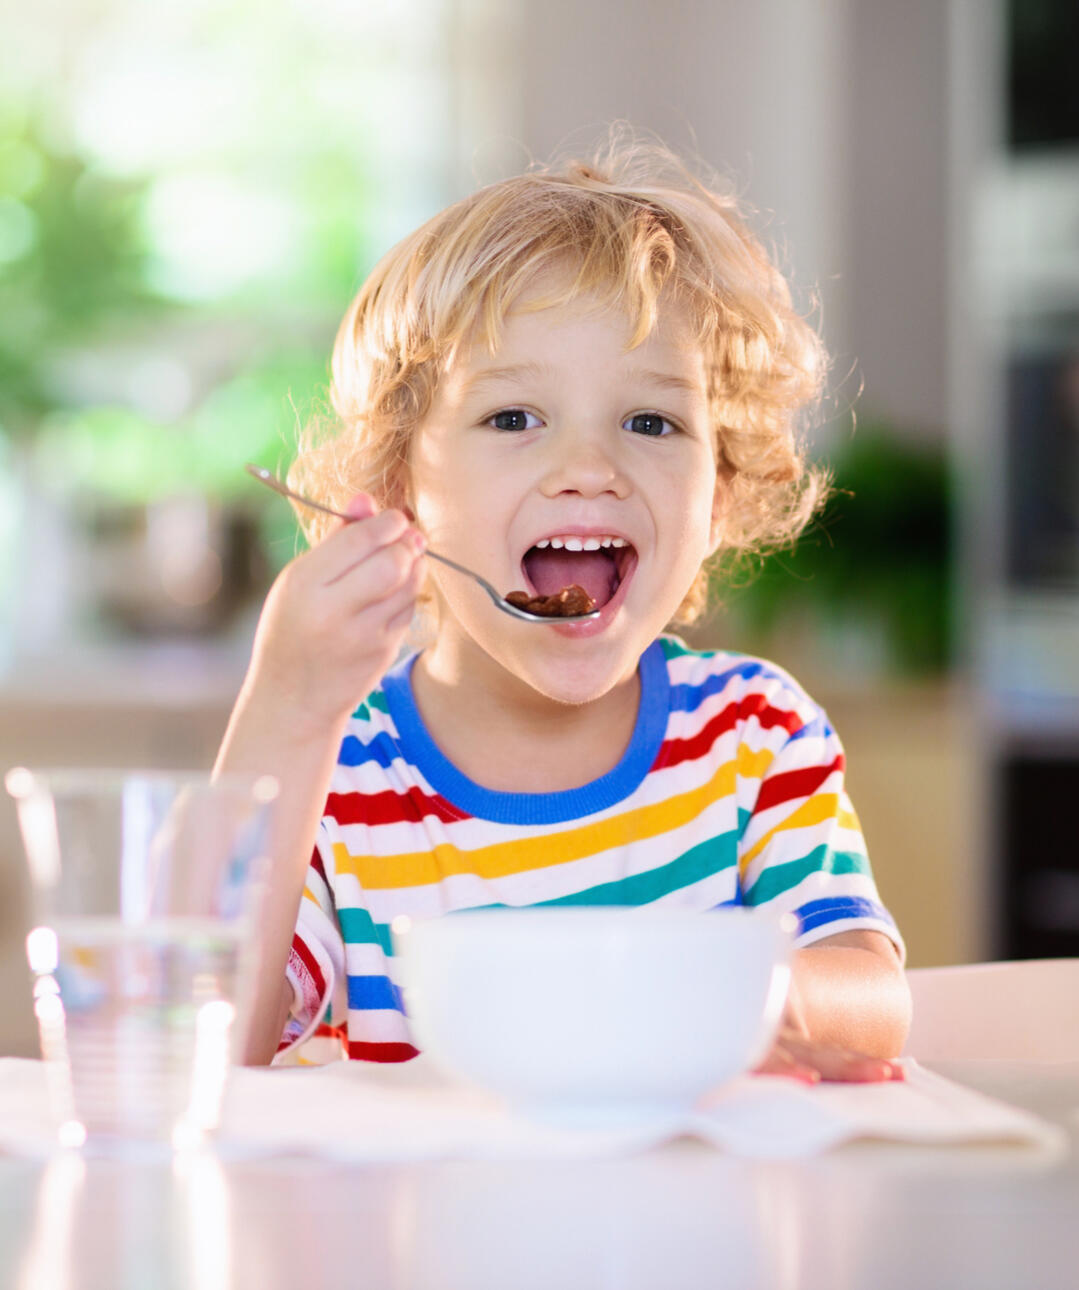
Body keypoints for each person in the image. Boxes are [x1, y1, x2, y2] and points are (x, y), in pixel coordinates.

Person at [215, 136, 911, 1080]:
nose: (589, 469)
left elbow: (870, 996)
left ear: (723, 494)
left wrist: (726, 1003)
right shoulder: (342, 776)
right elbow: (206, 1036)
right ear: (399, 489)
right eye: (513, 419)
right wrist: (284, 715)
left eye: (651, 422)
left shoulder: (755, 734)